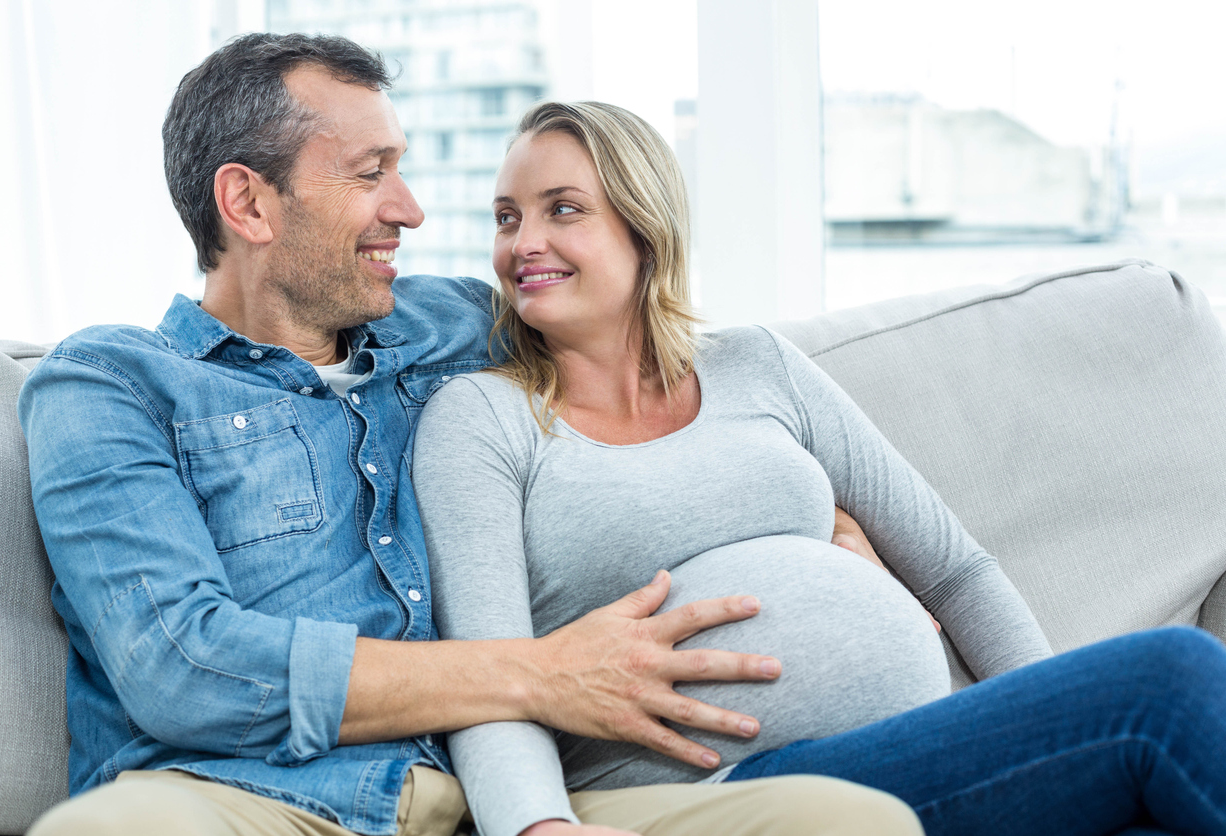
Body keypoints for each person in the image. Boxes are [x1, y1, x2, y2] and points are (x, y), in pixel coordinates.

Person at [17, 33, 924, 836]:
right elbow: (182, 666)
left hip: (479, 801)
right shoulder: (109, 385)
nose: (410, 210)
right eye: (370, 174)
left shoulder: (450, 326)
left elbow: (630, 355)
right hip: (244, 800)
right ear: (249, 205)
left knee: (847, 819)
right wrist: (535, 674)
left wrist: (821, 525)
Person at [410, 99, 1226, 836]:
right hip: (718, 788)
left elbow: (953, 570)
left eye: (563, 211)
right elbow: (490, 677)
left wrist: (1040, 712)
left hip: (907, 748)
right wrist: (536, 827)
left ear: (643, 225)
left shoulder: (759, 366)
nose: (524, 244)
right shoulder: (483, 420)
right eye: (507, 217)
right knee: (1171, 679)